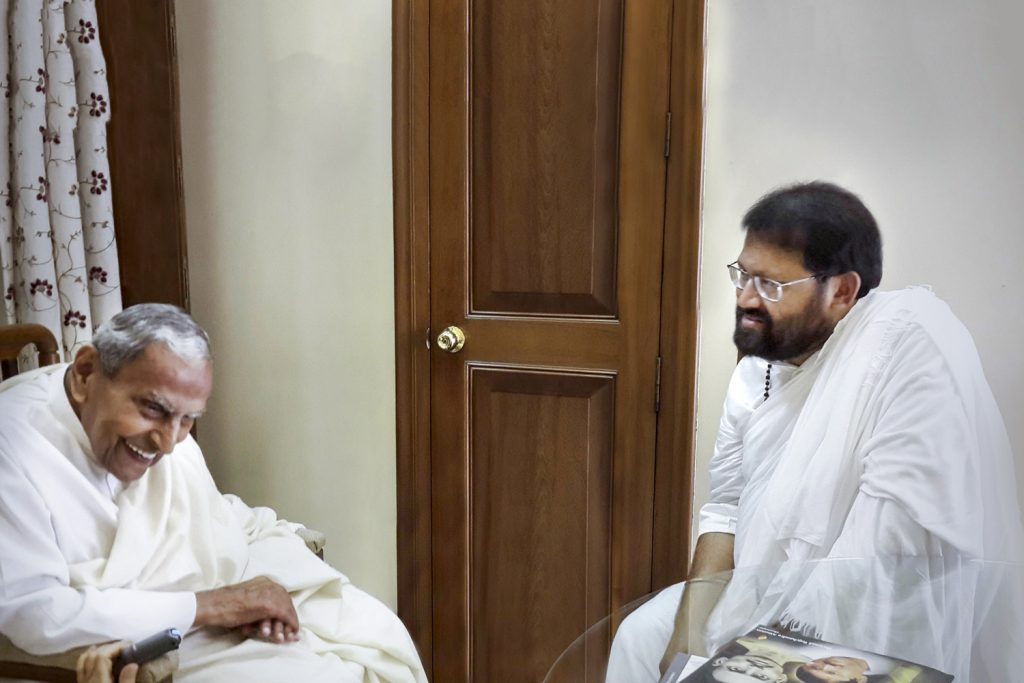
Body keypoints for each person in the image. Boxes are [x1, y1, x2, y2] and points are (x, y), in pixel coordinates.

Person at [605, 182, 1022, 682]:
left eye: (772, 286)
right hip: (755, 587)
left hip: (867, 614)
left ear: (842, 292)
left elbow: (880, 560)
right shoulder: (755, 371)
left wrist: (768, 646)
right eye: (742, 275)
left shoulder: (905, 348)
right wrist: (687, 638)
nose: (746, 300)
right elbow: (726, 507)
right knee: (640, 637)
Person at [0, 304, 427, 682]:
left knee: (375, 631)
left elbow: (205, 518)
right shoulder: (13, 446)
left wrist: (250, 595)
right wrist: (214, 606)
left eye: (187, 420)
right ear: (85, 375)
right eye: (153, 409)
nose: (168, 445)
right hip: (143, 642)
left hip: (201, 607)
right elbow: (34, 614)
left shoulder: (162, 435)